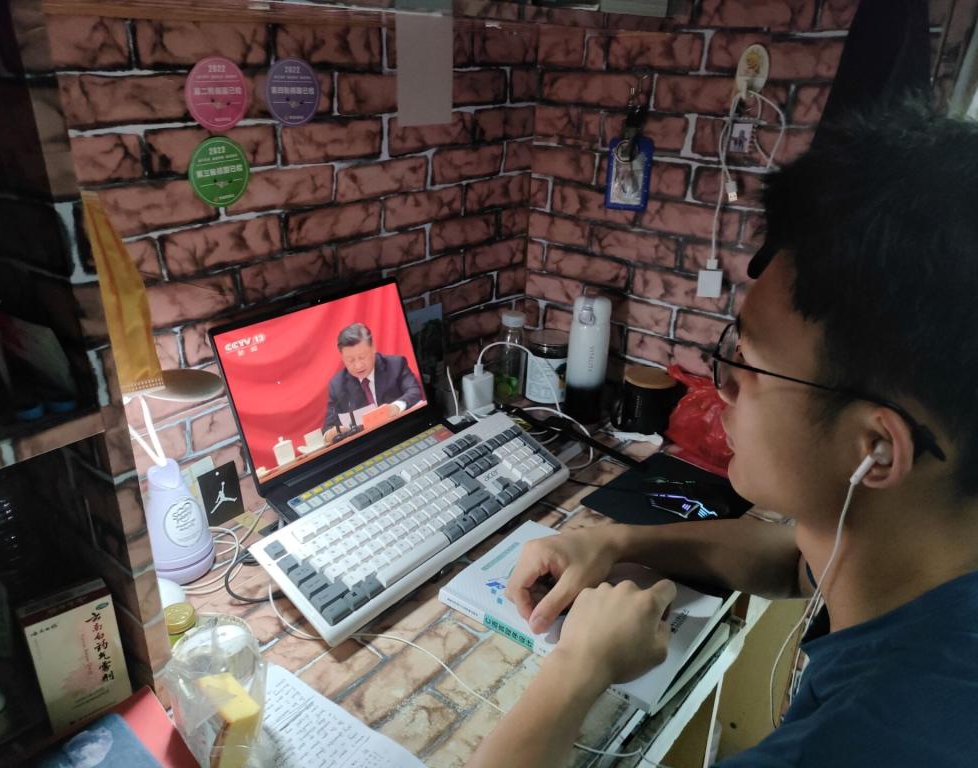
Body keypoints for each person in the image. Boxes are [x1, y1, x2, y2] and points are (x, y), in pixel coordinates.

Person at [467, 100, 978, 767]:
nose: (723, 387)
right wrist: (610, 541)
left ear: (876, 450)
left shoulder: (871, 743)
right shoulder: (923, 553)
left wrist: (577, 668)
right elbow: (794, 560)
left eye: (751, 363)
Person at [322, 323, 422, 443]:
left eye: (362, 357)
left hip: (403, 433)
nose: (358, 365)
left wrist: (395, 407)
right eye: (350, 360)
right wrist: (330, 434)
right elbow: (328, 427)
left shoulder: (396, 364)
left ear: (373, 347)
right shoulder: (337, 385)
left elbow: (414, 391)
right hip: (369, 443)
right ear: (342, 357)